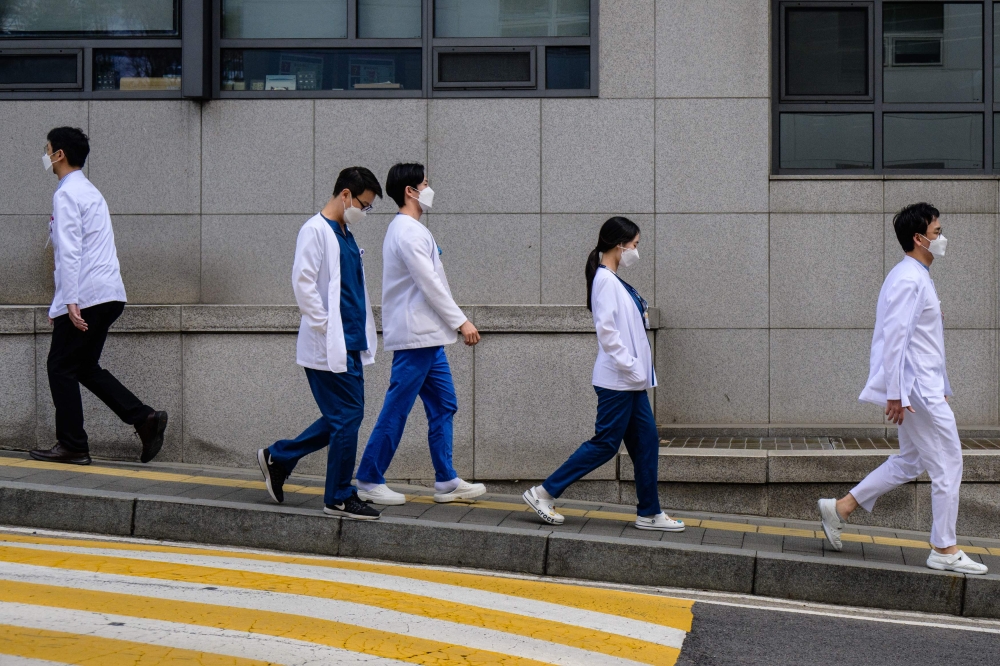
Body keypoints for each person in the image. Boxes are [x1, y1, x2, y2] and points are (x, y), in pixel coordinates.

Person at [818, 203, 987, 575]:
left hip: (922, 389)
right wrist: (896, 393)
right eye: (937, 231)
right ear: (918, 238)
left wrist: (937, 387)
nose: (942, 238)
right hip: (916, 392)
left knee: (912, 460)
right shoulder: (909, 278)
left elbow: (923, 342)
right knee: (948, 462)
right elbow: (895, 339)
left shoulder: (915, 276)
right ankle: (944, 548)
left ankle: (841, 507)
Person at [522, 217, 684, 532]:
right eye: (635, 245)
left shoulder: (612, 279)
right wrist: (633, 366)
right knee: (605, 444)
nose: (637, 251)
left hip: (630, 382)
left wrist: (636, 372)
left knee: (647, 442)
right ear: (619, 245)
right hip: (618, 381)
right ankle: (543, 493)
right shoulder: (605, 281)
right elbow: (607, 333)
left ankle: (650, 512)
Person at [30, 127, 167, 467]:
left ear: (59, 154)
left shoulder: (66, 195)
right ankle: (143, 418)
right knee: (84, 367)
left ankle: (73, 444)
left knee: (60, 367)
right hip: (107, 295)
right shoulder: (90, 191)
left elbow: (69, 250)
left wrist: (69, 301)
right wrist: (61, 301)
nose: (46, 155)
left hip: (86, 296)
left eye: (48, 149)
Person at [354, 163, 485, 506]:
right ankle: (369, 478)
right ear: (410, 191)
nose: (429, 189)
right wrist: (462, 321)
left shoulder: (410, 229)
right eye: (425, 184)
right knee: (397, 407)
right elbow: (430, 284)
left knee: (444, 404)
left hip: (428, 338)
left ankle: (446, 481)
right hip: (417, 337)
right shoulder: (407, 232)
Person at [256, 167, 382, 521]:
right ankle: (339, 497)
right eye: (364, 204)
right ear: (345, 195)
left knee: (344, 417)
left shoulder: (345, 233)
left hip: (351, 343)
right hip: (329, 343)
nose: (365, 212)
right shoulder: (315, 230)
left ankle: (279, 457)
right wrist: (328, 328)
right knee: (348, 417)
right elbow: (303, 284)